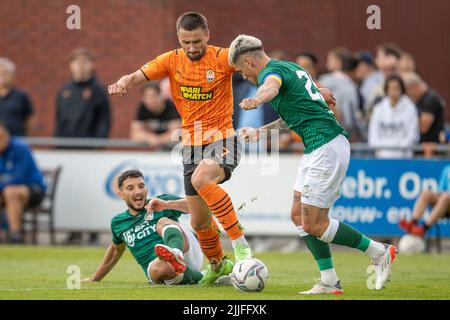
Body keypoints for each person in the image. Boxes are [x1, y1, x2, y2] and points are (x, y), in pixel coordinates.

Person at [229, 34, 396, 294]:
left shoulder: (269, 75)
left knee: (315, 224)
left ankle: (380, 252)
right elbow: (292, 119)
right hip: (318, 146)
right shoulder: (291, 67)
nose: (244, 78)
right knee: (297, 215)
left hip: (326, 145)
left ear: (250, 61)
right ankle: (329, 280)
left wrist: (256, 99)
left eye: (241, 71)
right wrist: (260, 132)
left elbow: (269, 87)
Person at [108, 12, 252, 285]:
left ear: (207, 35)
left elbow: (260, 65)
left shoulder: (222, 58)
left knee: (202, 178)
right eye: (186, 42)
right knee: (199, 222)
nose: (192, 47)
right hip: (191, 145)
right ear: (179, 39)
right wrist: (124, 82)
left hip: (223, 138)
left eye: (197, 41)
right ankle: (218, 265)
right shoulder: (171, 60)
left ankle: (241, 245)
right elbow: (138, 74)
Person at [83, 170, 204, 285]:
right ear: (121, 194)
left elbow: (198, 206)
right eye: (130, 188)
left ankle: (175, 254)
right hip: (159, 268)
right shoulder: (118, 223)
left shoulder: (160, 202)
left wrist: (167, 204)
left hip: (186, 253)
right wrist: (95, 278)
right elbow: (116, 250)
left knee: (162, 222)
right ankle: (203, 277)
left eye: (141, 186)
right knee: (159, 268)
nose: (138, 191)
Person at [55, 48, 111, 245]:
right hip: (66, 150)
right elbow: (59, 120)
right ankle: (73, 231)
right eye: (76, 62)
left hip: (89, 151)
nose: (80, 66)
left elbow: (105, 121)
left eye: (84, 62)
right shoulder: (65, 90)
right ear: (71, 66)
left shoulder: (97, 90)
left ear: (92, 65)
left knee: (89, 190)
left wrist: (97, 145)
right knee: (73, 191)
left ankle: (92, 232)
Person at [0, 122, 46, 244]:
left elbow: (18, 178)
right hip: (5, 191)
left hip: (33, 189)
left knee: (10, 192)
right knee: (7, 192)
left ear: (7, 134)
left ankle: (15, 235)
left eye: (2, 136)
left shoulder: (21, 148)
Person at [368, 75, 419, 159]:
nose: (393, 92)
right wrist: (384, 150)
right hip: (382, 158)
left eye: (396, 88)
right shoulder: (378, 109)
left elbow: (412, 137)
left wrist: (396, 149)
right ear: (386, 90)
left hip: (404, 159)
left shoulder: (410, 108)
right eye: (390, 88)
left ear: (401, 89)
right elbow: (373, 138)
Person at [399, 165, 450, 237]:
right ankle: (413, 224)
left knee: (446, 196)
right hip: (444, 202)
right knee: (426, 193)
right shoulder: (447, 169)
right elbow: (441, 189)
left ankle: (423, 229)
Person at [130, 81, 181, 150]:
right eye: (146, 97)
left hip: (179, 148)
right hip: (161, 147)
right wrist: (150, 137)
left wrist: (157, 140)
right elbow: (135, 135)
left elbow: (176, 135)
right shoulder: (143, 108)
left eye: (153, 96)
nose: (150, 101)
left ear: (161, 95)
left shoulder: (172, 106)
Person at [402, 72, 445, 146]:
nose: (407, 95)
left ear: (413, 87)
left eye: (407, 91)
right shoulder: (418, 99)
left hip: (431, 148)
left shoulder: (430, 99)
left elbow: (423, 128)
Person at [0, 58, 35, 136]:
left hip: (16, 140)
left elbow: (30, 120)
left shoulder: (21, 96)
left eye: (5, 73)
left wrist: (26, 137)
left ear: (12, 76)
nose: (2, 76)